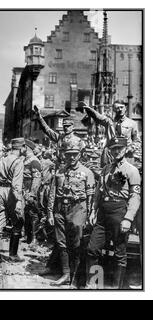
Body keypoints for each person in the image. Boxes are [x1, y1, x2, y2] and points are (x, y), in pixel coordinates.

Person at [86, 137, 141, 289]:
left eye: (120, 148)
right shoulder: (106, 169)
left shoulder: (132, 170)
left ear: (125, 149)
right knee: (92, 249)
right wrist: (93, 211)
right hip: (103, 212)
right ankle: (92, 285)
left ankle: (117, 289)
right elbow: (98, 192)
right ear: (109, 150)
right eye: (113, 148)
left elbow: (135, 197)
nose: (116, 151)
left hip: (120, 212)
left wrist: (128, 218)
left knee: (119, 254)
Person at [46, 139, 95, 287]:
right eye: (69, 154)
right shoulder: (59, 172)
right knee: (61, 242)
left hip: (78, 209)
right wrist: (50, 213)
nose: (71, 157)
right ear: (64, 155)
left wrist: (90, 214)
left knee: (76, 243)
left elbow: (90, 196)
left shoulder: (87, 173)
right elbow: (52, 194)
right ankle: (66, 274)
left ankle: (76, 275)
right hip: (60, 209)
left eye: (75, 154)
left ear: (80, 154)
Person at [0, 138, 25, 267]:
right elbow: (16, 184)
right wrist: (19, 200)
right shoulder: (18, 162)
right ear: (21, 148)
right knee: (18, 221)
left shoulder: (3, 159)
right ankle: (13, 255)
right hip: (11, 193)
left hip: (1, 190)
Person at [79, 101, 140, 166]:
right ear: (114, 110)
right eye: (117, 108)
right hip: (111, 155)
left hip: (126, 156)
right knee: (108, 174)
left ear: (125, 108)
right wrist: (89, 110)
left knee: (125, 174)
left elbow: (137, 141)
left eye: (122, 107)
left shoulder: (132, 123)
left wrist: (129, 149)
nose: (120, 109)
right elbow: (99, 117)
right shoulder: (109, 122)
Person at [23, 139, 42, 245]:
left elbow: (37, 178)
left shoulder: (34, 160)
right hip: (25, 188)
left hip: (31, 189)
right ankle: (27, 236)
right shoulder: (25, 159)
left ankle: (34, 238)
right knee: (26, 214)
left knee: (33, 214)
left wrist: (32, 193)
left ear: (26, 148)